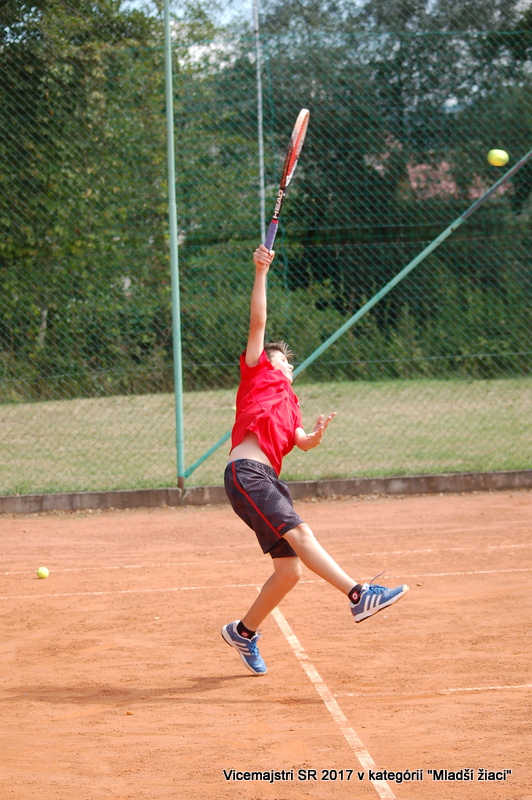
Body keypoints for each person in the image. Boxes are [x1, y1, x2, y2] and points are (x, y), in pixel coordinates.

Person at [221, 244, 408, 675]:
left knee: (289, 571)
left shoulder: (291, 403)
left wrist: (315, 437)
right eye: (282, 360)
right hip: (247, 472)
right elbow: (258, 321)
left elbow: (300, 442)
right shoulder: (257, 375)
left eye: (288, 363)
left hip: (265, 478)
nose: (287, 365)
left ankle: (243, 632)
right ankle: (359, 595)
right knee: (301, 533)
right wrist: (261, 272)